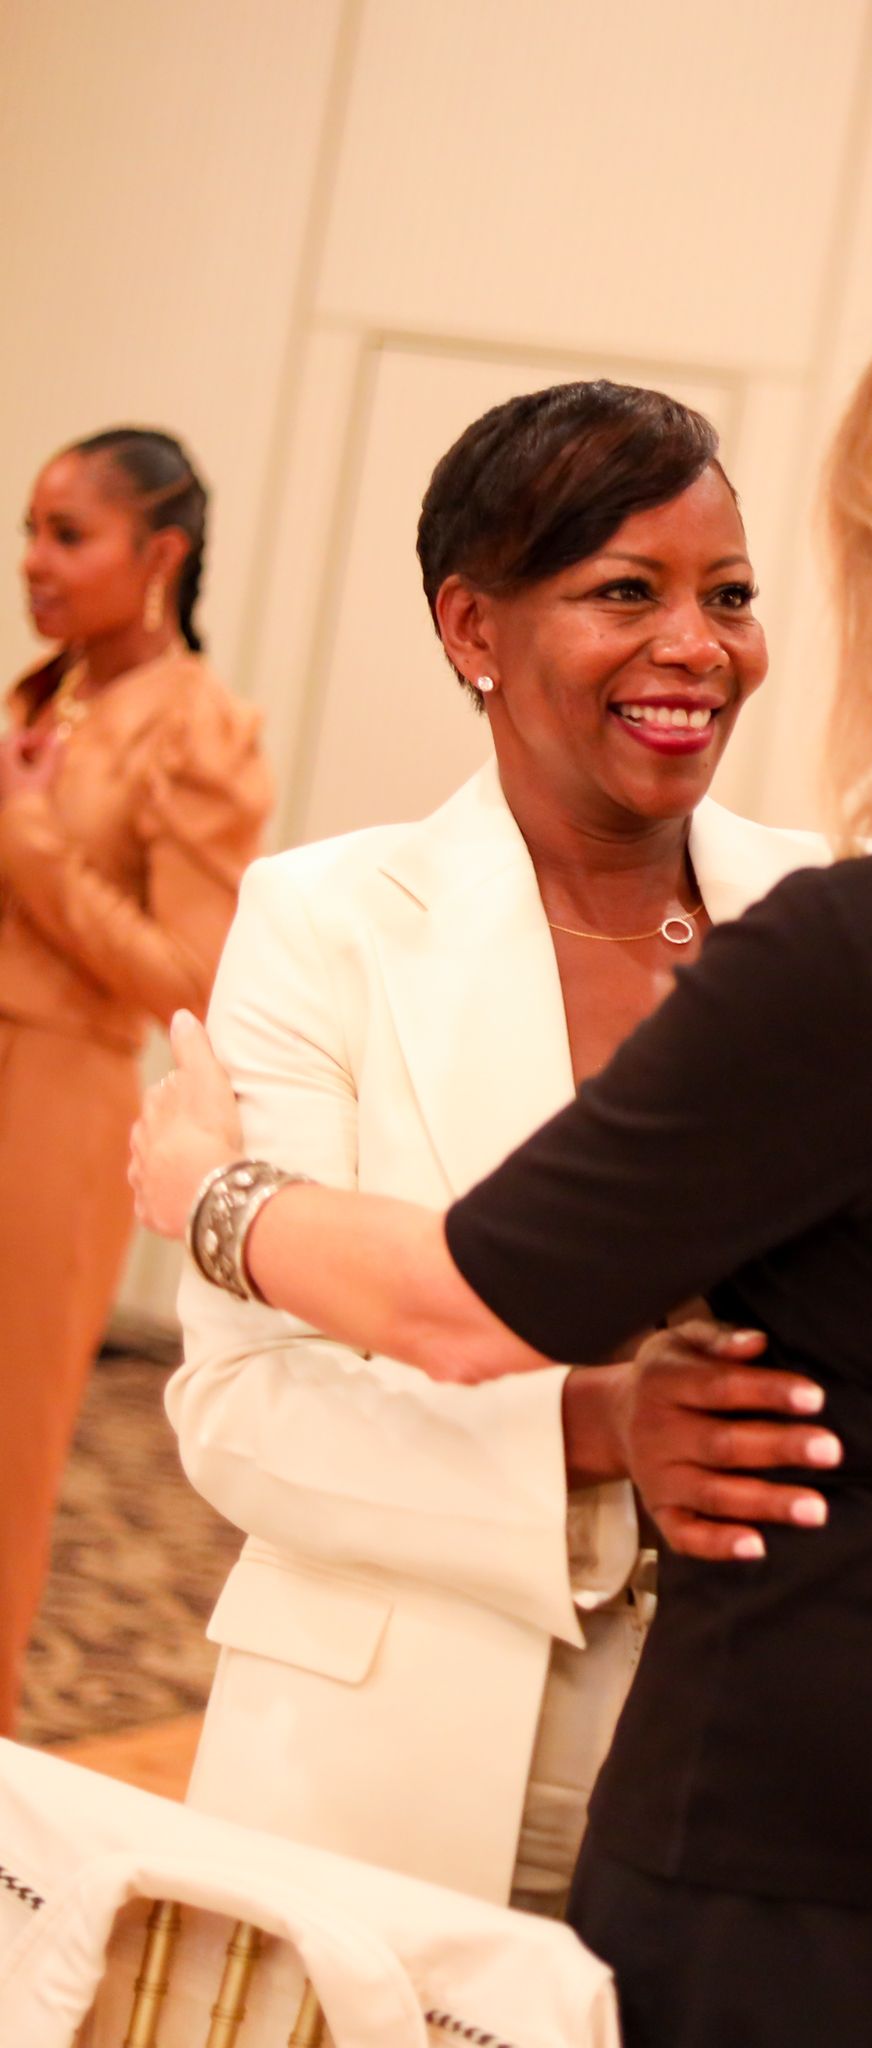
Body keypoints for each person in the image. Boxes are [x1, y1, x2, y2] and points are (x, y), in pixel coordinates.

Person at [154, 380, 872, 1922]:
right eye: (623, 594)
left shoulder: (845, 917)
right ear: (472, 631)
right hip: (388, 1765)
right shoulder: (322, 925)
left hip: (774, 1786)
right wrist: (599, 1431)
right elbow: (242, 1412)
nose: (697, 648)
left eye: (729, 595)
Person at [0, 427, 271, 1735]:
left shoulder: (202, 732)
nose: (34, 564)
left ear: (158, 553)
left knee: (4, 1447)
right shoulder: (43, 695)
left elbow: (187, 976)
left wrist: (31, 840)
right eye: (30, 532)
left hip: (50, 1101)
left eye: (68, 535)